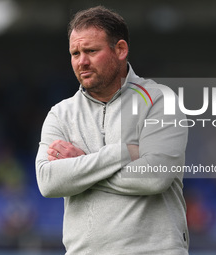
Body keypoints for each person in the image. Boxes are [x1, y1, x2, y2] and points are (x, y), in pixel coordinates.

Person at [36, 6, 189, 255]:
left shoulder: (161, 100)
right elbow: (48, 182)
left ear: (120, 49)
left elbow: (154, 177)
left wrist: (80, 168)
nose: (81, 61)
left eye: (91, 51)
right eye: (75, 53)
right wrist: (120, 154)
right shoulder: (60, 113)